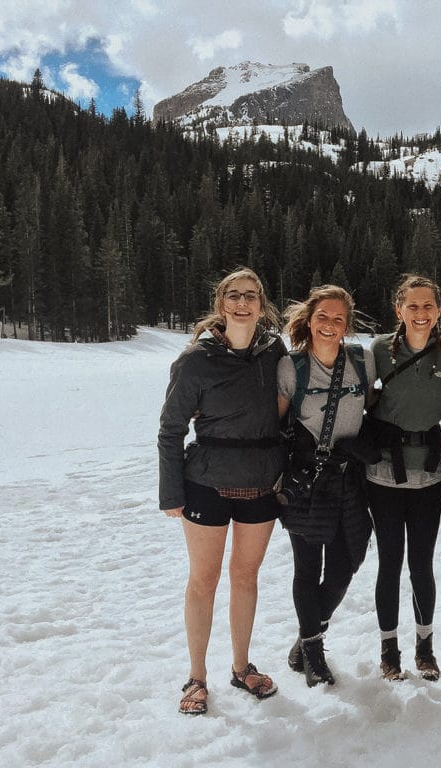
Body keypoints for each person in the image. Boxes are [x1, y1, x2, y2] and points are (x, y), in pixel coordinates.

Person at [158, 267, 285, 715]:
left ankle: (240, 666)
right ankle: (196, 676)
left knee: (245, 577)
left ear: (261, 303)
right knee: (204, 580)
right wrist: (171, 492)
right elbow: (171, 429)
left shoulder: (275, 352)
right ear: (221, 303)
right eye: (234, 295)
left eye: (251, 295)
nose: (242, 303)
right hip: (206, 482)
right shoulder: (196, 360)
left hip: (261, 481)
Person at [277, 285, 376, 687]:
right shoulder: (292, 368)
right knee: (307, 569)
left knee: (345, 565)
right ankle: (314, 653)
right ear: (309, 320)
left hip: (349, 479)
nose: (330, 325)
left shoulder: (362, 361)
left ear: (347, 324)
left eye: (338, 319)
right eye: (323, 317)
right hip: (308, 481)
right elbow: (276, 425)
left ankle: (306, 635)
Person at [365, 276, 441, 681]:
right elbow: (361, 398)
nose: (421, 314)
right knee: (390, 562)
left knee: (421, 563)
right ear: (398, 309)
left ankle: (425, 647)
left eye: (428, 306)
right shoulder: (379, 351)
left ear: (439, 310)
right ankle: (389, 650)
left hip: (428, 472)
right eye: (413, 306)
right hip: (383, 472)